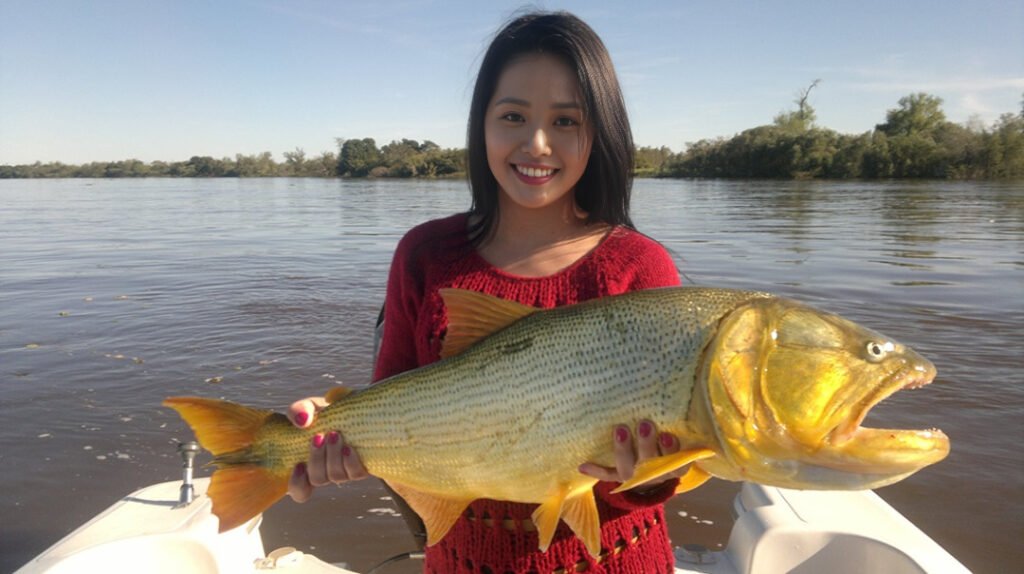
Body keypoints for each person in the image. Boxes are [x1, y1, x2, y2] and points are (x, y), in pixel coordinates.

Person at [286, 11, 686, 574]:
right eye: (513, 116)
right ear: (482, 125)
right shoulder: (425, 255)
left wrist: (648, 474)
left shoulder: (639, 267)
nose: (538, 144)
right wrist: (338, 433)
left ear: (600, 133)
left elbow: (664, 465)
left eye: (567, 121)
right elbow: (396, 408)